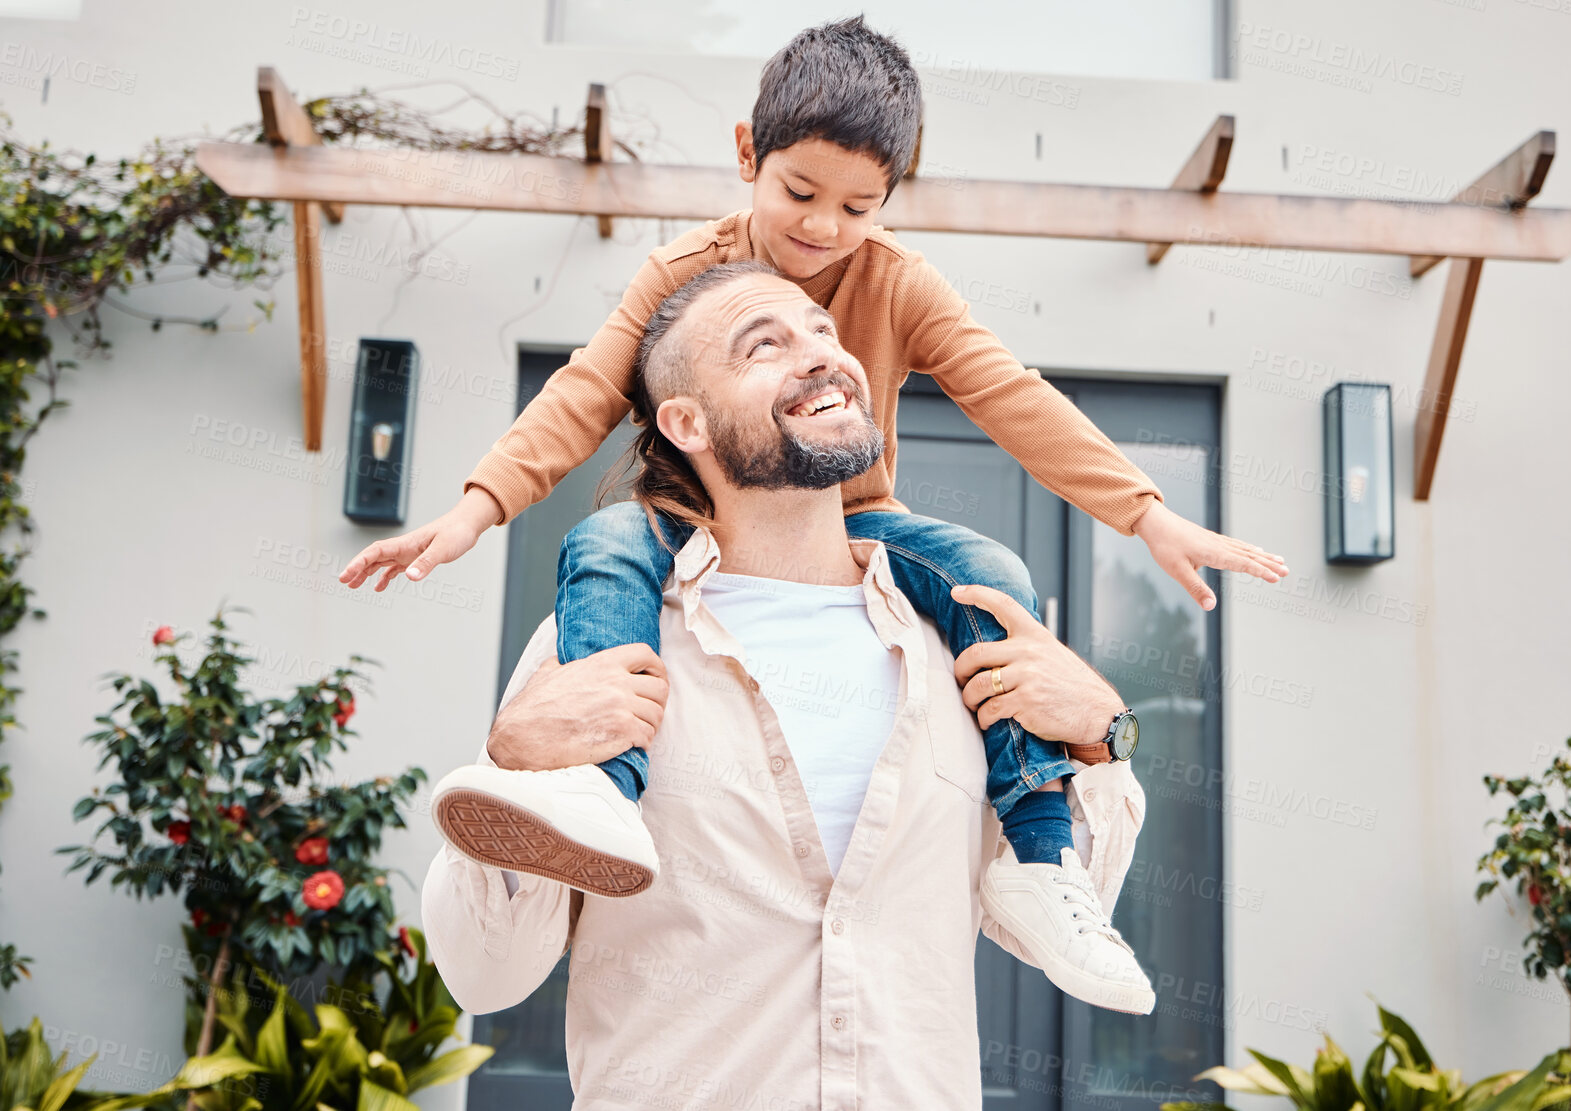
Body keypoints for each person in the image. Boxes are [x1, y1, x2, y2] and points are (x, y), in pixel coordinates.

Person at [342, 14, 1286, 898]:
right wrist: (476, 508)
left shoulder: (898, 283)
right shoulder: (682, 272)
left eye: (858, 205)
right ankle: (598, 789)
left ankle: (1041, 859)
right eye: (800, 193)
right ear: (749, 151)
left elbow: (1011, 394)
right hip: (695, 512)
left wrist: (1144, 512)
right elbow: (587, 387)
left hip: (850, 519)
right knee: (605, 547)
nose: (824, 227)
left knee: (991, 573)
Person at [422, 262, 1154, 1109]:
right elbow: (484, 975)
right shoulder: (596, 644)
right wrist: (511, 764)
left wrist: (1105, 739)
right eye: (763, 344)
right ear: (687, 420)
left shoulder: (964, 645)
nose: (820, 354)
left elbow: (1061, 928)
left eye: (823, 331)